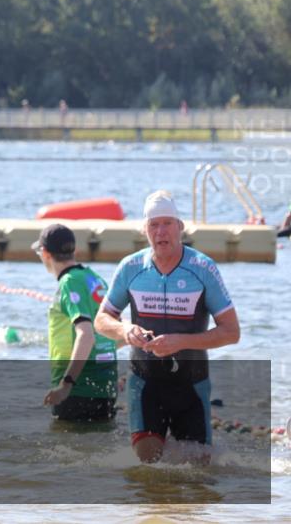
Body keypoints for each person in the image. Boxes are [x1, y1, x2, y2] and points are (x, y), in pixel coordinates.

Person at [94, 190, 240, 463]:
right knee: (148, 471)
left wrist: (182, 341)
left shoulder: (203, 268)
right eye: (154, 225)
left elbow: (232, 332)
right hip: (145, 382)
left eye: (167, 223)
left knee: (197, 474)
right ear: (144, 231)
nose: (161, 232)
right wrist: (125, 330)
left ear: (180, 227)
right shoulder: (130, 268)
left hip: (191, 384)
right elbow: (101, 320)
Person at [34, 224, 117, 422]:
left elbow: (86, 335)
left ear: (45, 253)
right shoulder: (95, 279)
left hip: (77, 390)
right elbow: (112, 333)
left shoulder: (69, 282)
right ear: (75, 251)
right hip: (105, 386)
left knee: (68, 447)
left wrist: (66, 383)